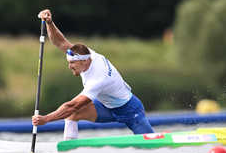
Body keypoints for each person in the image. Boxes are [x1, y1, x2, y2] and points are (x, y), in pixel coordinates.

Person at [32, 9, 154, 140]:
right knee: (72, 114)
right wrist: (50, 23)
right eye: (68, 62)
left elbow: (71, 105)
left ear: (84, 61)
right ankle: (70, 150)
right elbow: (60, 42)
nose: (69, 66)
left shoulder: (98, 79)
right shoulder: (87, 54)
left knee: (152, 145)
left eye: (73, 63)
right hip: (105, 107)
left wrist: (46, 119)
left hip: (130, 110)